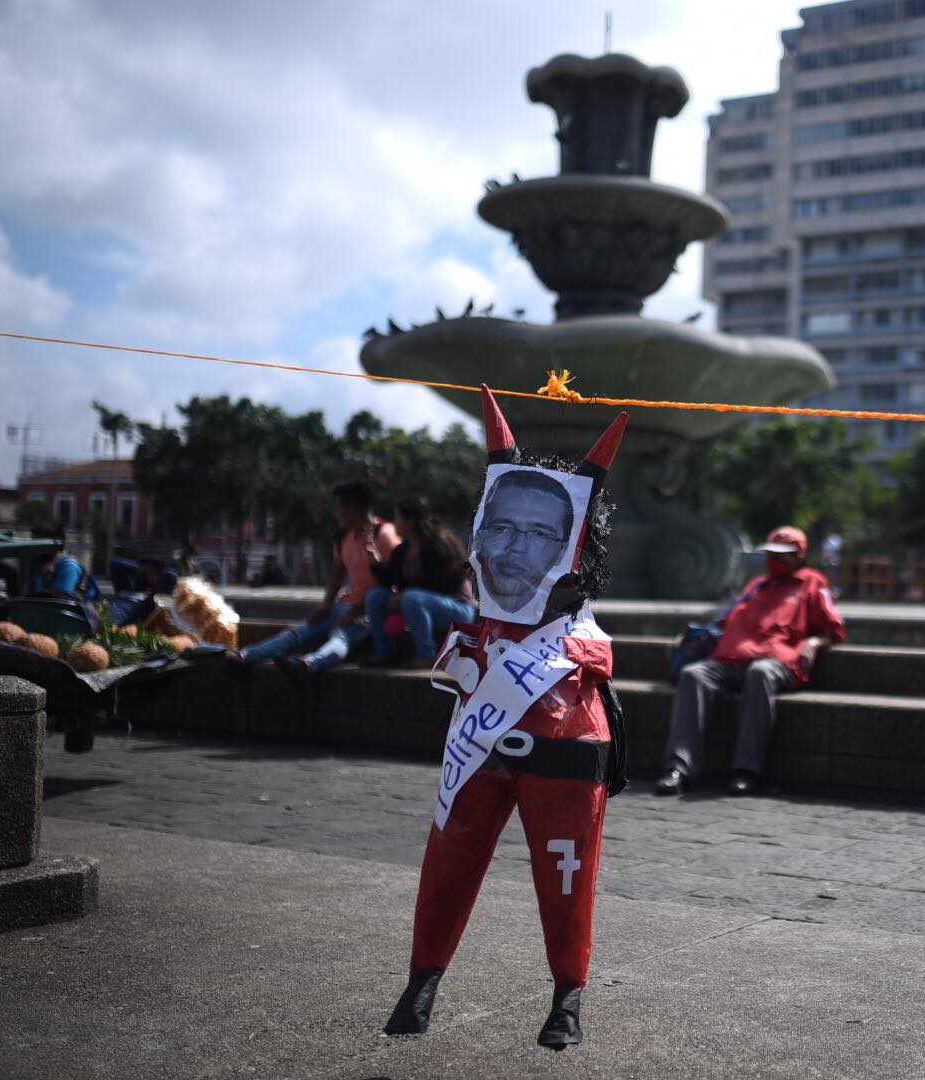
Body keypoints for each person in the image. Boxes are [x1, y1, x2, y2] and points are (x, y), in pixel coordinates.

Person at [383, 388, 629, 1052]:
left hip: (567, 741)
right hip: (482, 733)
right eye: (501, 526)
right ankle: (422, 979)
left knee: (568, 873)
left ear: (574, 546)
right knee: (447, 860)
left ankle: (567, 996)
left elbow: (593, 650)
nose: (512, 547)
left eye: (540, 533)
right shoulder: (478, 626)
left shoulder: (581, 638)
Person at [654, 525, 846, 797]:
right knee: (693, 674)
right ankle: (678, 769)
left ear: (799, 556)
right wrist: (686, 638)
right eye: (771, 554)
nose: (775, 561)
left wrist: (813, 643)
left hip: (777, 663)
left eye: (783, 556)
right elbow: (722, 621)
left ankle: (746, 771)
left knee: (760, 673)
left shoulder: (813, 582)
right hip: (731, 660)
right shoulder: (756, 585)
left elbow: (834, 629)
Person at [231, 480, 399, 674]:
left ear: (351, 509)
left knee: (340, 637)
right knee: (299, 630)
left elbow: (389, 581)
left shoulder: (385, 534)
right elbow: (337, 575)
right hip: (345, 605)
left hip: (371, 611)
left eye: (339, 509)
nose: (337, 515)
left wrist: (353, 613)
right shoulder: (345, 537)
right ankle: (246, 656)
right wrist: (325, 606)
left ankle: (309, 664)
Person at [365, 497, 476, 668]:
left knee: (411, 597)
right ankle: (384, 652)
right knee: (375, 596)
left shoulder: (439, 544)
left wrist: (405, 594)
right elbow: (391, 580)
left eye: (398, 518)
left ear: (410, 521)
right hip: (420, 602)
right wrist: (375, 563)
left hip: (457, 608)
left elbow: (447, 583)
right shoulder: (401, 551)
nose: (395, 523)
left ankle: (427, 655)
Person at [471, 469, 577, 620]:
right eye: (502, 528)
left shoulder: (578, 643)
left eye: (541, 534)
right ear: (479, 535)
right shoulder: (457, 637)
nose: (517, 547)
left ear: (562, 551)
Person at [104, 557, 178, 628]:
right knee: (116, 563)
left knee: (118, 611)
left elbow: (150, 606)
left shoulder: (167, 578)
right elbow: (115, 562)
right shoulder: (142, 580)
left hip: (136, 604)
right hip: (132, 597)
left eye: (147, 574)